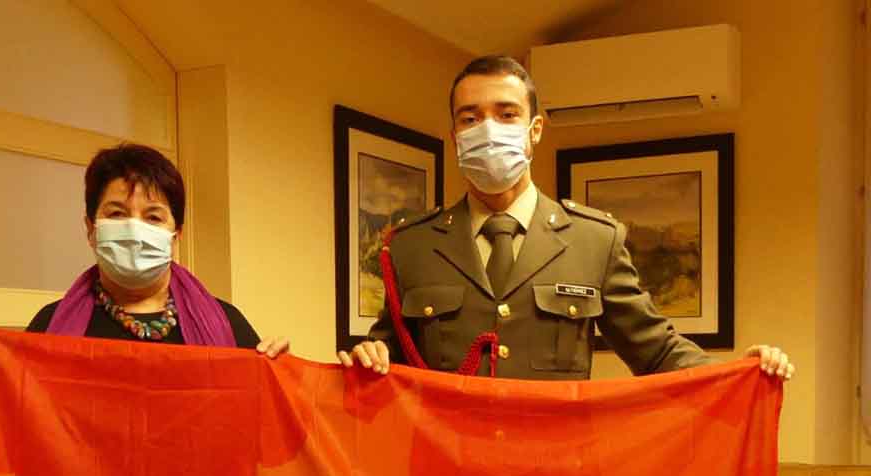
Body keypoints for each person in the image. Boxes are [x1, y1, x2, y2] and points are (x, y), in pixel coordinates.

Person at [339, 56, 794, 383]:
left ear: (534, 130)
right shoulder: (410, 246)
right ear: (455, 135)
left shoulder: (594, 240)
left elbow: (657, 352)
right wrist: (367, 357)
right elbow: (389, 358)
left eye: (506, 114)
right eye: (471, 118)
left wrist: (743, 373)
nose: (488, 130)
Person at [0, 143, 290, 425]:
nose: (135, 228)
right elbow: (8, 448)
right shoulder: (50, 330)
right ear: (91, 228)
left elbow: (272, 443)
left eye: (153, 216)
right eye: (116, 213)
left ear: (175, 234)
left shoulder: (227, 327)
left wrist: (302, 382)